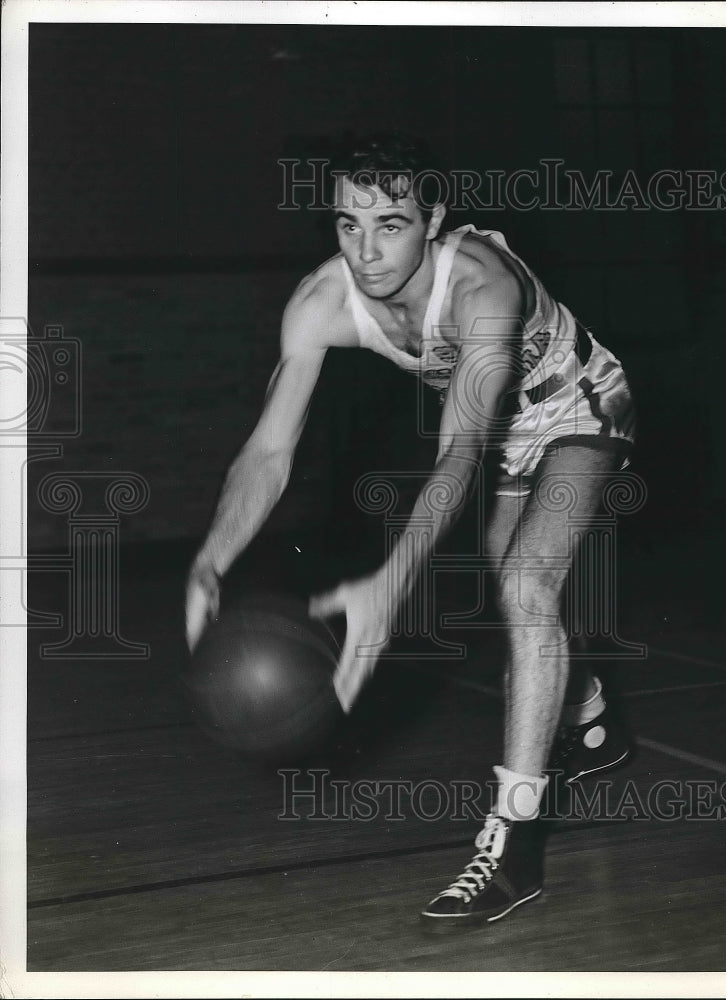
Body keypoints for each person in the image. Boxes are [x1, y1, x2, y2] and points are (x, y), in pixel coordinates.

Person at [185, 133, 636, 930]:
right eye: (347, 225)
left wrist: (389, 586)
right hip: (501, 432)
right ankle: (586, 715)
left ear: (433, 220)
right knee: (516, 592)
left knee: (527, 586)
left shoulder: (479, 289)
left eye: (389, 223)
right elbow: (268, 448)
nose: (365, 249)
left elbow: (458, 454)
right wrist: (211, 558)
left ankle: (514, 841)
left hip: (577, 406)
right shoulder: (320, 301)